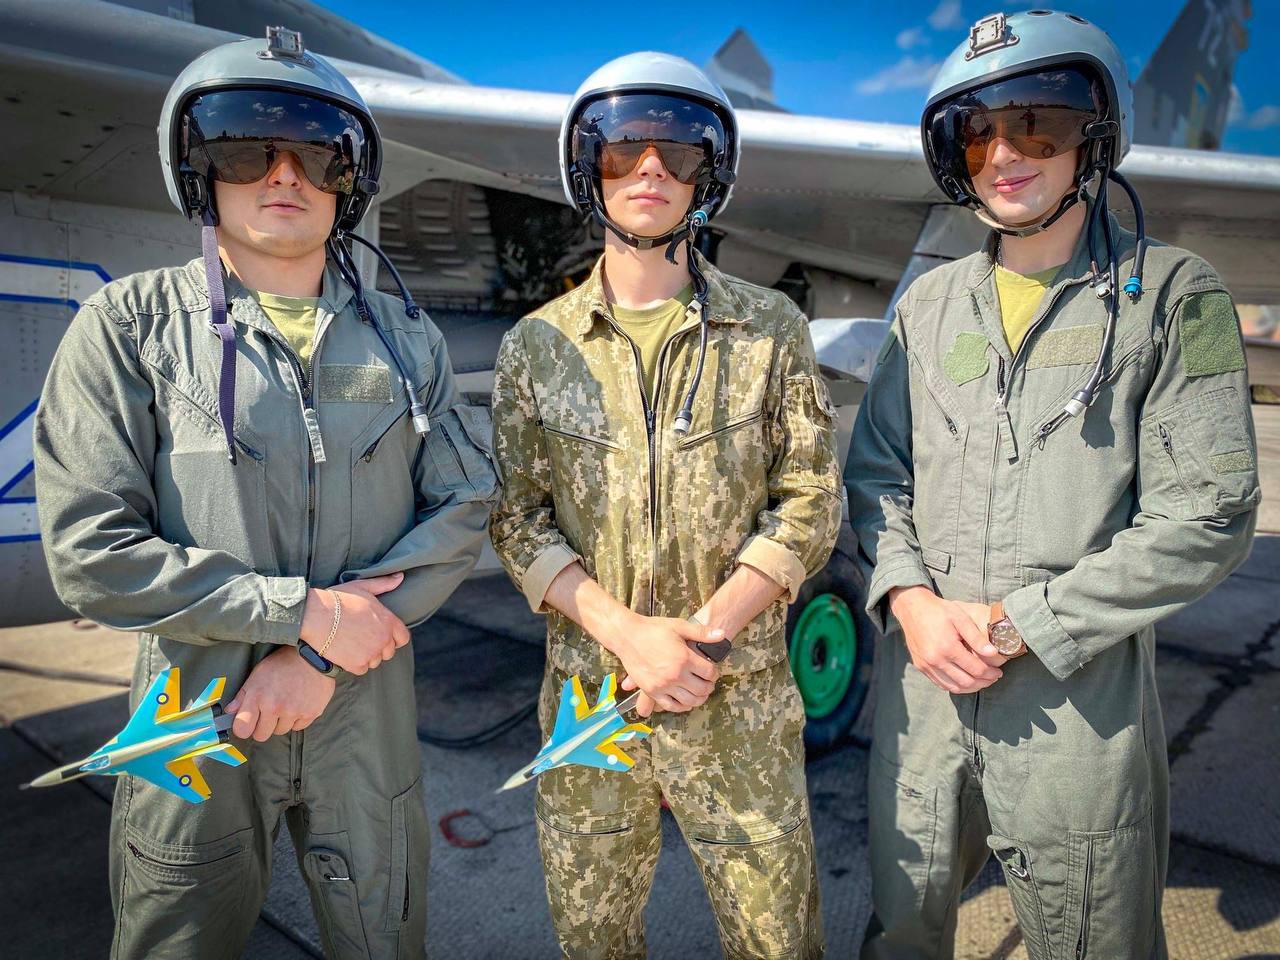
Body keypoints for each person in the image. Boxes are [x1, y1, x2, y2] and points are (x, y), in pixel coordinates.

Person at [33, 28, 498, 959]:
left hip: (364, 712)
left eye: (317, 154)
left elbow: (461, 507)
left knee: (384, 937)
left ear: (347, 181)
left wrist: (318, 655)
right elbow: (91, 552)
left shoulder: (407, 339)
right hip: (195, 714)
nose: (285, 173)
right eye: (246, 147)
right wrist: (301, 614)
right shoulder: (129, 328)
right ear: (201, 170)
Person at [847, 10, 1260, 959]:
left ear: (1094, 136)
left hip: (1073, 712)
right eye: (977, 132)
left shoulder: (1173, 294)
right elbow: (875, 473)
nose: (1004, 153)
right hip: (923, 695)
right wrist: (910, 601)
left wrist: (1021, 624)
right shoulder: (929, 305)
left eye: (1039, 124)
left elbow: (1211, 513)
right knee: (901, 928)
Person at [489, 51, 840, 960]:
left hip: (738, 699)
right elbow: (517, 519)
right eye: (623, 150)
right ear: (588, 168)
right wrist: (629, 636)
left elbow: (810, 498)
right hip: (592, 704)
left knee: (777, 941)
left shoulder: (769, 330)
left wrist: (703, 638)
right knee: (593, 939)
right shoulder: (537, 347)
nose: (650, 169)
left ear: (706, 175)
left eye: (678, 153)